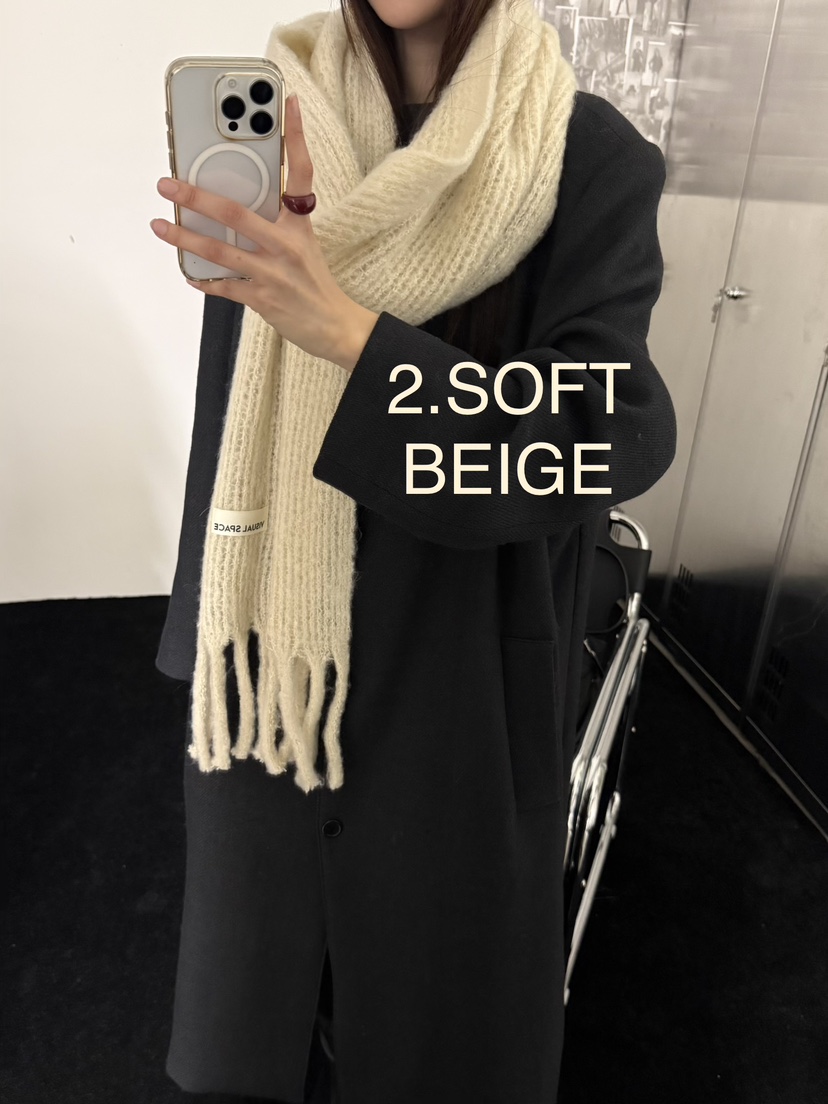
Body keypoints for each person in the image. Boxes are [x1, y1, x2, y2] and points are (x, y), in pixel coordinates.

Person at [150, 0, 676, 1101]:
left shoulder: (580, 152)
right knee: (266, 1015)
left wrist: (347, 332)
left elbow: (603, 435)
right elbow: (233, 411)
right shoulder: (291, 121)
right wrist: (203, 634)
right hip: (276, 681)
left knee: (431, 1033)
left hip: (458, 681)